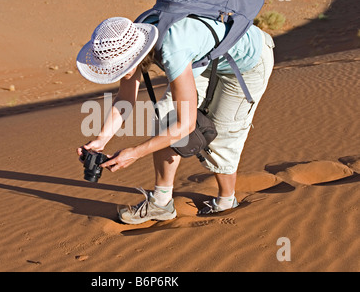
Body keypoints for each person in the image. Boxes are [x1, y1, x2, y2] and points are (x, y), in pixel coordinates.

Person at [76, 15, 275, 225]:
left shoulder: (173, 50)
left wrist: (135, 153)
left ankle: (226, 201)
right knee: (166, 113)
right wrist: (101, 140)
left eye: (120, 68)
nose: (119, 73)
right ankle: (161, 203)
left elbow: (186, 125)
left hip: (247, 61)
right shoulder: (129, 38)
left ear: (133, 57)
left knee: (223, 134)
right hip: (203, 58)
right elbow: (125, 98)